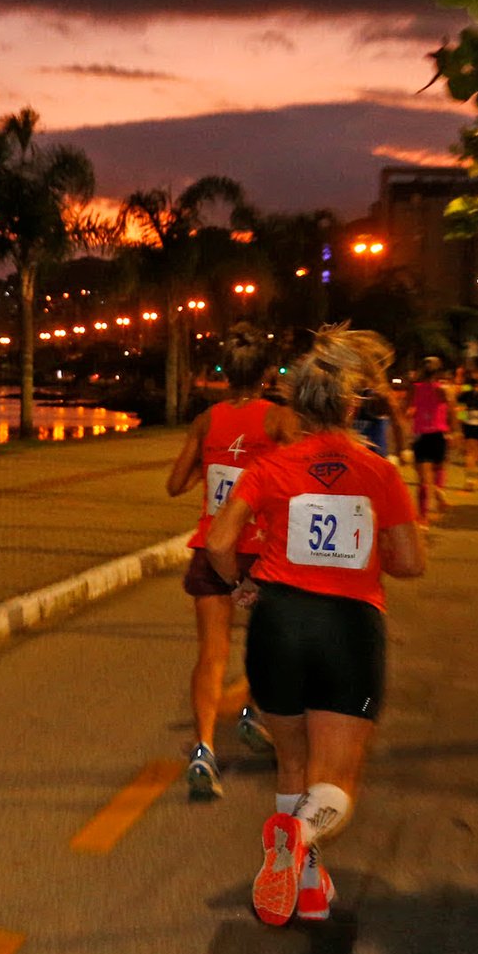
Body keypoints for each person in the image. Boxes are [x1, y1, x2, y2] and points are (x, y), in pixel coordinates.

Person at [205, 324, 426, 926]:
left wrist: (242, 586)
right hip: (348, 628)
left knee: (292, 765)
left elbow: (220, 543)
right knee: (337, 781)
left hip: (277, 623)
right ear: (354, 404)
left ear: (298, 404)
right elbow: (409, 563)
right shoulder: (378, 473)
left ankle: (305, 884)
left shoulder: (269, 467)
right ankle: (298, 835)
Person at [166, 324, 299, 799]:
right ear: (266, 373)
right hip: (262, 552)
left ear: (224, 372)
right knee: (268, 649)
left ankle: (203, 750)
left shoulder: (206, 420)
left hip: (210, 547)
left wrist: (214, 458)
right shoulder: (281, 420)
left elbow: (175, 484)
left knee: (212, 653)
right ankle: (253, 713)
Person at [408, 357, 455, 521]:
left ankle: (423, 518)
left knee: (421, 480)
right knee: (439, 468)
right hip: (438, 433)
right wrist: (453, 431)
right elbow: (452, 410)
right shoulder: (443, 389)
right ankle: (438, 489)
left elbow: (407, 410)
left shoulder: (415, 388)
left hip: (420, 434)